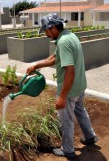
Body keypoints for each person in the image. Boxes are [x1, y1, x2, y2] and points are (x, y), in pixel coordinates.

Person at [26, 13, 98, 160]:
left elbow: (69, 71)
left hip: (69, 89)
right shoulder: (69, 36)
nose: (45, 34)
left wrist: (62, 96)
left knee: (66, 120)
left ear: (52, 28)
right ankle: (90, 136)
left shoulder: (63, 42)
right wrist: (37, 65)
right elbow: (55, 57)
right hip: (79, 85)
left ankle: (68, 150)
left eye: (46, 30)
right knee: (80, 111)